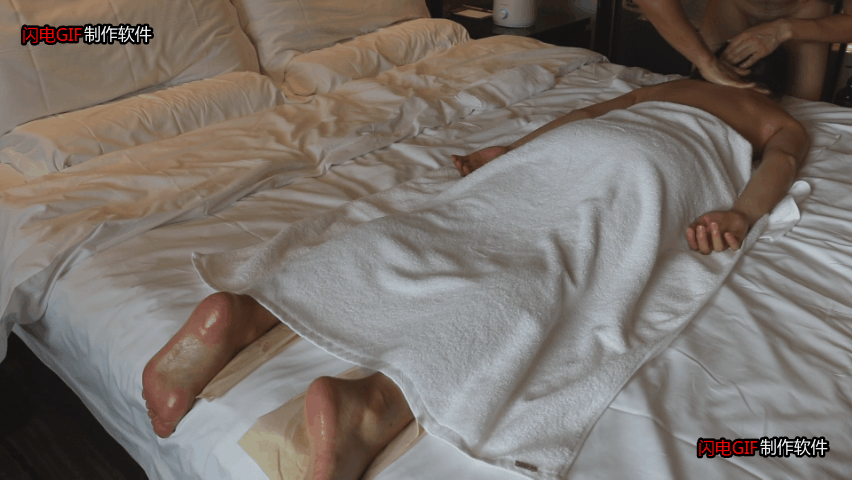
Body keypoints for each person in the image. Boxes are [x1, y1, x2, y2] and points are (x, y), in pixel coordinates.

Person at [142, 48, 809, 479]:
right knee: (556, 271)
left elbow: (591, 111)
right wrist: (740, 214)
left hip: (587, 142)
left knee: (445, 228)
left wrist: (509, 152)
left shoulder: (670, 86)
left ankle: (250, 310)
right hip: (653, 166)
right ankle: (372, 405)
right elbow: (778, 162)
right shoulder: (772, 115)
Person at [632, 0, 852, 100]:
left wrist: (786, 29)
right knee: (710, 99)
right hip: (732, 6)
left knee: (801, 111)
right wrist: (703, 59)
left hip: (805, 12)